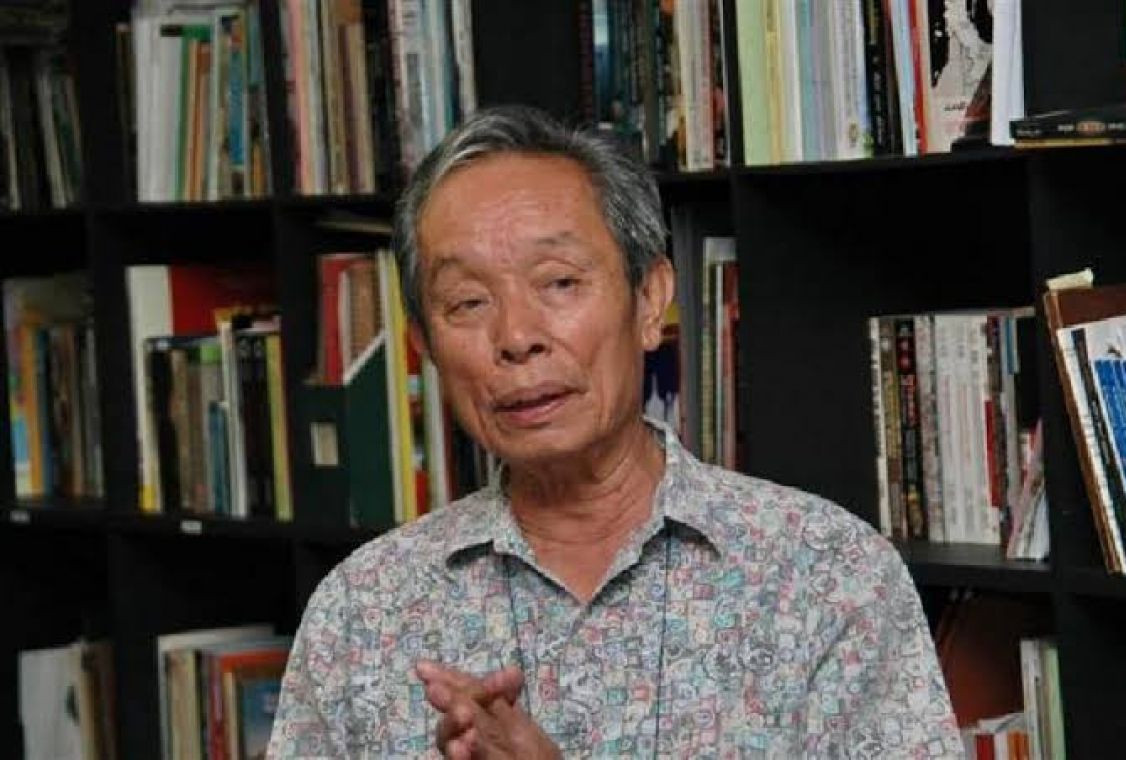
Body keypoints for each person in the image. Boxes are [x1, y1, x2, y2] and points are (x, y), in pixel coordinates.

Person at [268, 106, 962, 758]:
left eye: (559, 283)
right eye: (468, 302)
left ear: (650, 299)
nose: (516, 337)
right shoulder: (363, 612)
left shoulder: (826, 574)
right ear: (424, 344)